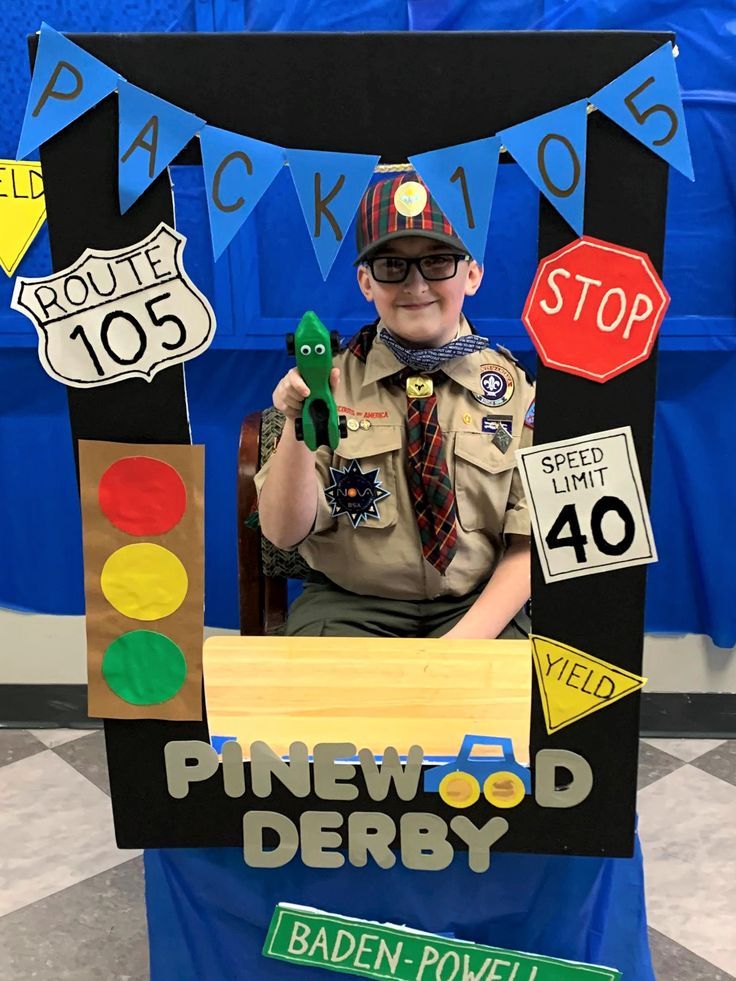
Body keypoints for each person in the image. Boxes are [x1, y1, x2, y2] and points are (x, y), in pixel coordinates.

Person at [255, 172, 535, 639]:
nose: (415, 284)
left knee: (505, 707)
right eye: (391, 266)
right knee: (321, 707)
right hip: (349, 606)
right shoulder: (334, 383)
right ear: (366, 282)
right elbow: (283, 533)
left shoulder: (515, 392)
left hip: (477, 608)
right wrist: (298, 423)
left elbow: (529, 542)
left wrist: (460, 646)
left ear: (473, 273)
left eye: (438, 261)